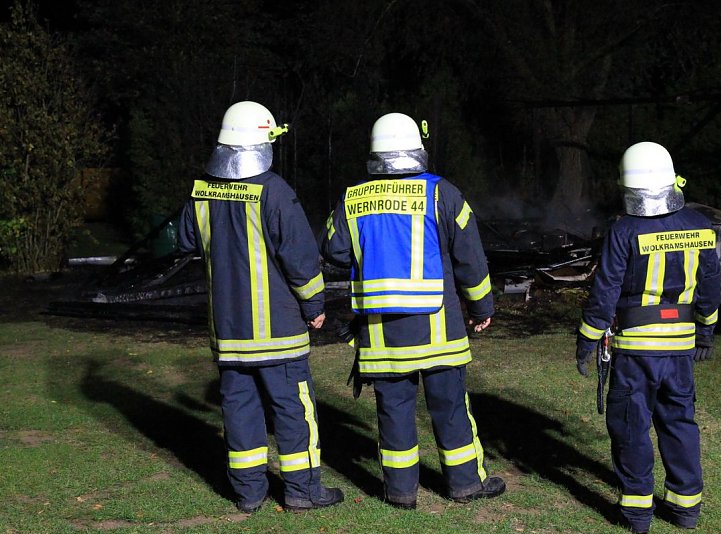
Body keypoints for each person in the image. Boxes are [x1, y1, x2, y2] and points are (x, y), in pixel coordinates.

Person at [320, 112, 505, 509]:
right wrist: (482, 306)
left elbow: (332, 248)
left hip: (382, 337)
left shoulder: (353, 198)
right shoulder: (442, 194)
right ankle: (465, 485)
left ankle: (401, 493)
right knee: (451, 407)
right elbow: (470, 257)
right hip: (439, 331)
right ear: (416, 147)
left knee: (394, 412)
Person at [177, 101, 343, 513]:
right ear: (261, 142)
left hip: (229, 334)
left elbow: (184, 241)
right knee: (292, 410)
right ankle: (303, 491)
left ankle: (249, 493)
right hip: (278, 333)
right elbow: (300, 257)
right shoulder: (274, 191)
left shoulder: (202, 193)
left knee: (239, 411)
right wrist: (314, 304)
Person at [575, 141, 721, 534]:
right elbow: (709, 287)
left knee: (631, 426)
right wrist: (705, 332)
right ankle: (685, 507)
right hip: (680, 349)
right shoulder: (701, 226)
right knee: (679, 423)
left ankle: (637, 514)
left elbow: (605, 291)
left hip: (636, 352)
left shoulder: (624, 230)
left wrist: (587, 340)